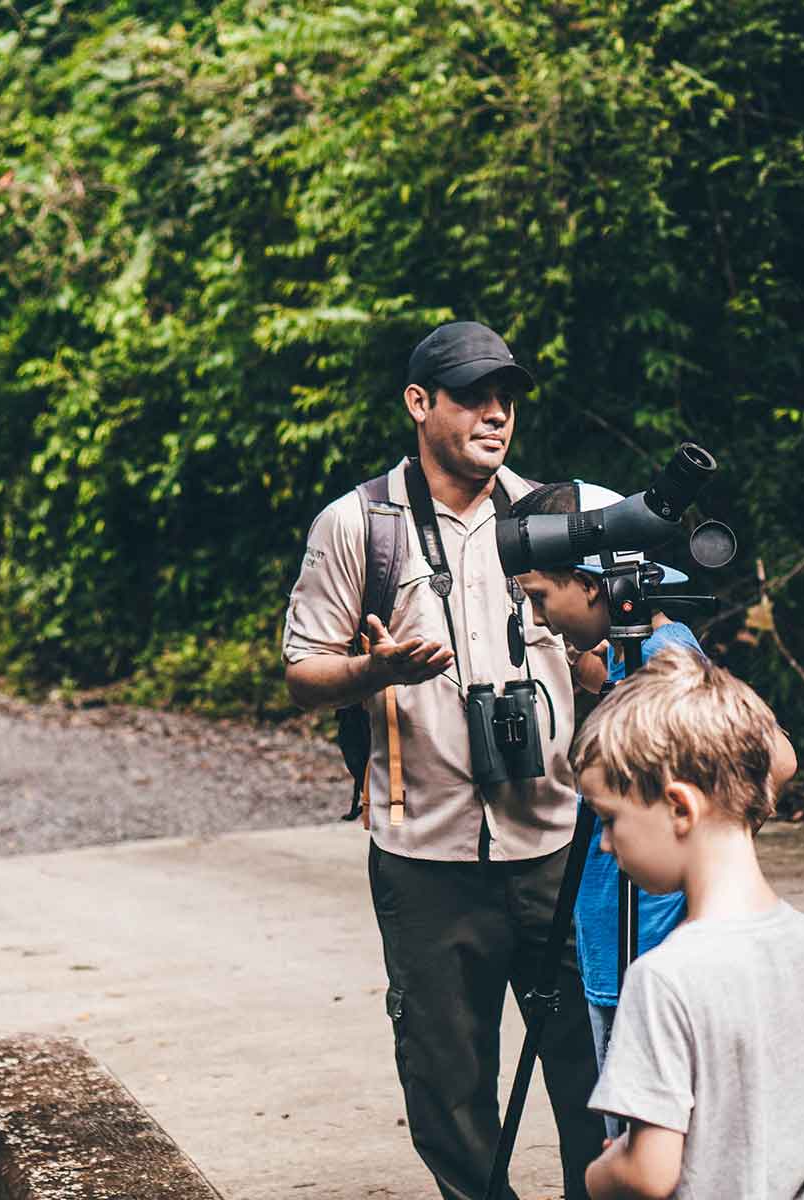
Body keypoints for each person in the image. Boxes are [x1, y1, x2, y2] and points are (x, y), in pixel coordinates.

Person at [281, 320, 603, 1200]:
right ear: (419, 404)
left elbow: (596, 658)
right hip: (424, 852)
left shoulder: (552, 516)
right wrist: (371, 670)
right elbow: (304, 673)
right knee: (446, 1083)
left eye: (506, 398)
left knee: (590, 1069)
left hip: (552, 841)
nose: (495, 415)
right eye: (471, 396)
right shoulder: (358, 525)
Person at [508, 481, 797, 1129]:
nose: (538, 619)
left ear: (590, 583)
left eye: (539, 598)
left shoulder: (665, 662)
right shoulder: (631, 653)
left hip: (652, 955)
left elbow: (777, 760)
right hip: (622, 947)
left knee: (652, 1139)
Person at [571, 646, 804, 1200]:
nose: (606, 845)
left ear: (680, 807)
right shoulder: (803, 937)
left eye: (609, 820)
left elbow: (648, 1173)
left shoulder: (663, 977)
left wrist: (602, 1171)